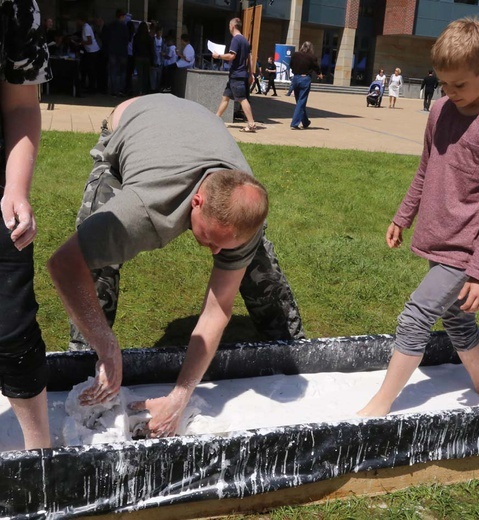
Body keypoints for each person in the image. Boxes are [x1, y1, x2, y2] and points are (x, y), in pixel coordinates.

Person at [48, 94, 305, 438]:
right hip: (130, 121)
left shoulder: (242, 206)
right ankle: (86, 358)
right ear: (196, 202)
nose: (214, 252)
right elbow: (64, 264)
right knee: (95, 265)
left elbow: (218, 310)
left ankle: (293, 347)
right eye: (210, 238)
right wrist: (105, 343)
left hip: (190, 125)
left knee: (258, 266)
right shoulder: (143, 208)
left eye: (223, 245)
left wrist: (181, 394)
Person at [358, 18, 479, 417]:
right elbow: (425, 168)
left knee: (416, 315)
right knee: (458, 321)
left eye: (459, 86)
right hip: (438, 236)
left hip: (466, 251)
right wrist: (403, 215)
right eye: (443, 84)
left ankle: (381, 404)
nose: (450, 93)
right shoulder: (439, 111)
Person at [0, 0, 52, 450]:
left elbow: (20, 104)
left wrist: (16, 188)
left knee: (12, 328)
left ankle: (41, 455)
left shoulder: (15, 8)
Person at [213, 18, 257, 133]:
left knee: (242, 99)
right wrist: (251, 74)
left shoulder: (236, 40)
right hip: (239, 74)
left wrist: (218, 56)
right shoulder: (245, 41)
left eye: (229, 26)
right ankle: (216, 118)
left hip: (237, 75)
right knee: (226, 97)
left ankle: (251, 123)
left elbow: (232, 56)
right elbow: (250, 58)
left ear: (232, 26)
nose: (229, 28)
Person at [289, 41, 322, 130]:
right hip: (305, 79)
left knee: (299, 101)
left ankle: (305, 122)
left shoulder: (295, 55)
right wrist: (319, 74)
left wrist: (295, 70)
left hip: (295, 78)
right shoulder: (312, 57)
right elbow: (316, 67)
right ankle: (294, 123)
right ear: (311, 48)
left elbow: (291, 65)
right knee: (301, 101)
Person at [104, 9, 129, 97]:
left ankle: (113, 90)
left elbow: (106, 38)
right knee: (122, 72)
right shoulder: (124, 27)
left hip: (112, 51)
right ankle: (121, 90)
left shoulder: (110, 26)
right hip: (122, 51)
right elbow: (127, 39)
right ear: (121, 17)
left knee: (113, 71)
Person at [132, 22, 153, 95]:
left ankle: (139, 90)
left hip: (138, 57)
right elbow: (151, 49)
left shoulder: (136, 37)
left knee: (139, 75)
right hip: (147, 58)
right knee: (146, 75)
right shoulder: (149, 37)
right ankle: (145, 90)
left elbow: (134, 48)